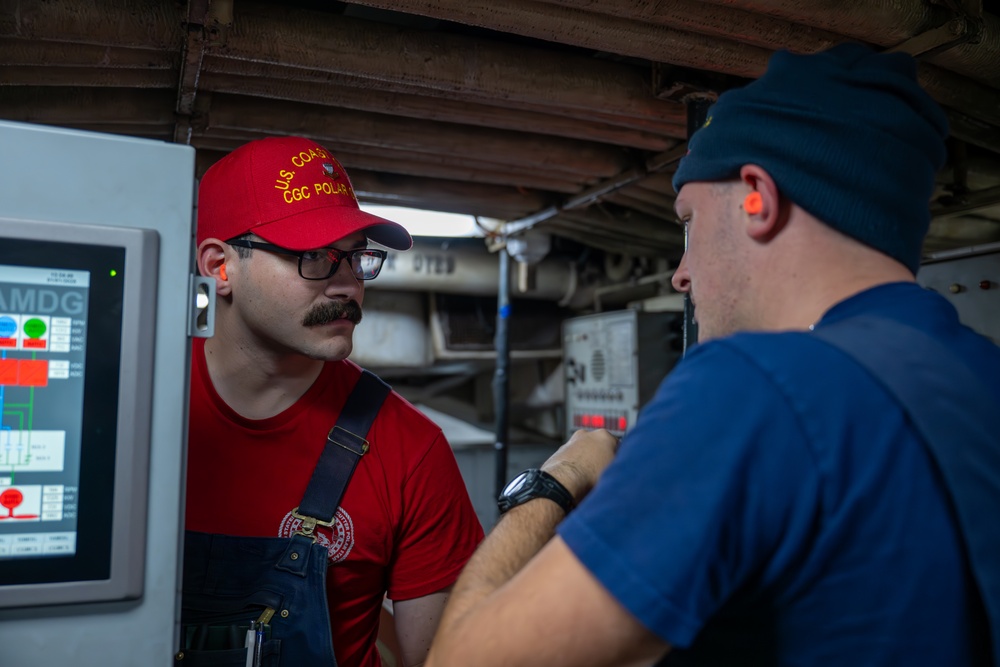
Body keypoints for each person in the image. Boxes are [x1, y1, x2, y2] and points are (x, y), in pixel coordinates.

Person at [424, 43, 1000, 667]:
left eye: (690, 224)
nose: (680, 273)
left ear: (758, 197)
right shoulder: (981, 371)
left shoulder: (751, 389)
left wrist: (558, 478)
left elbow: (464, 658)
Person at [183, 135, 484, 667]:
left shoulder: (410, 451)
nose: (347, 284)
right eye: (316, 258)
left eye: (357, 258)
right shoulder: (135, 402)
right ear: (221, 265)